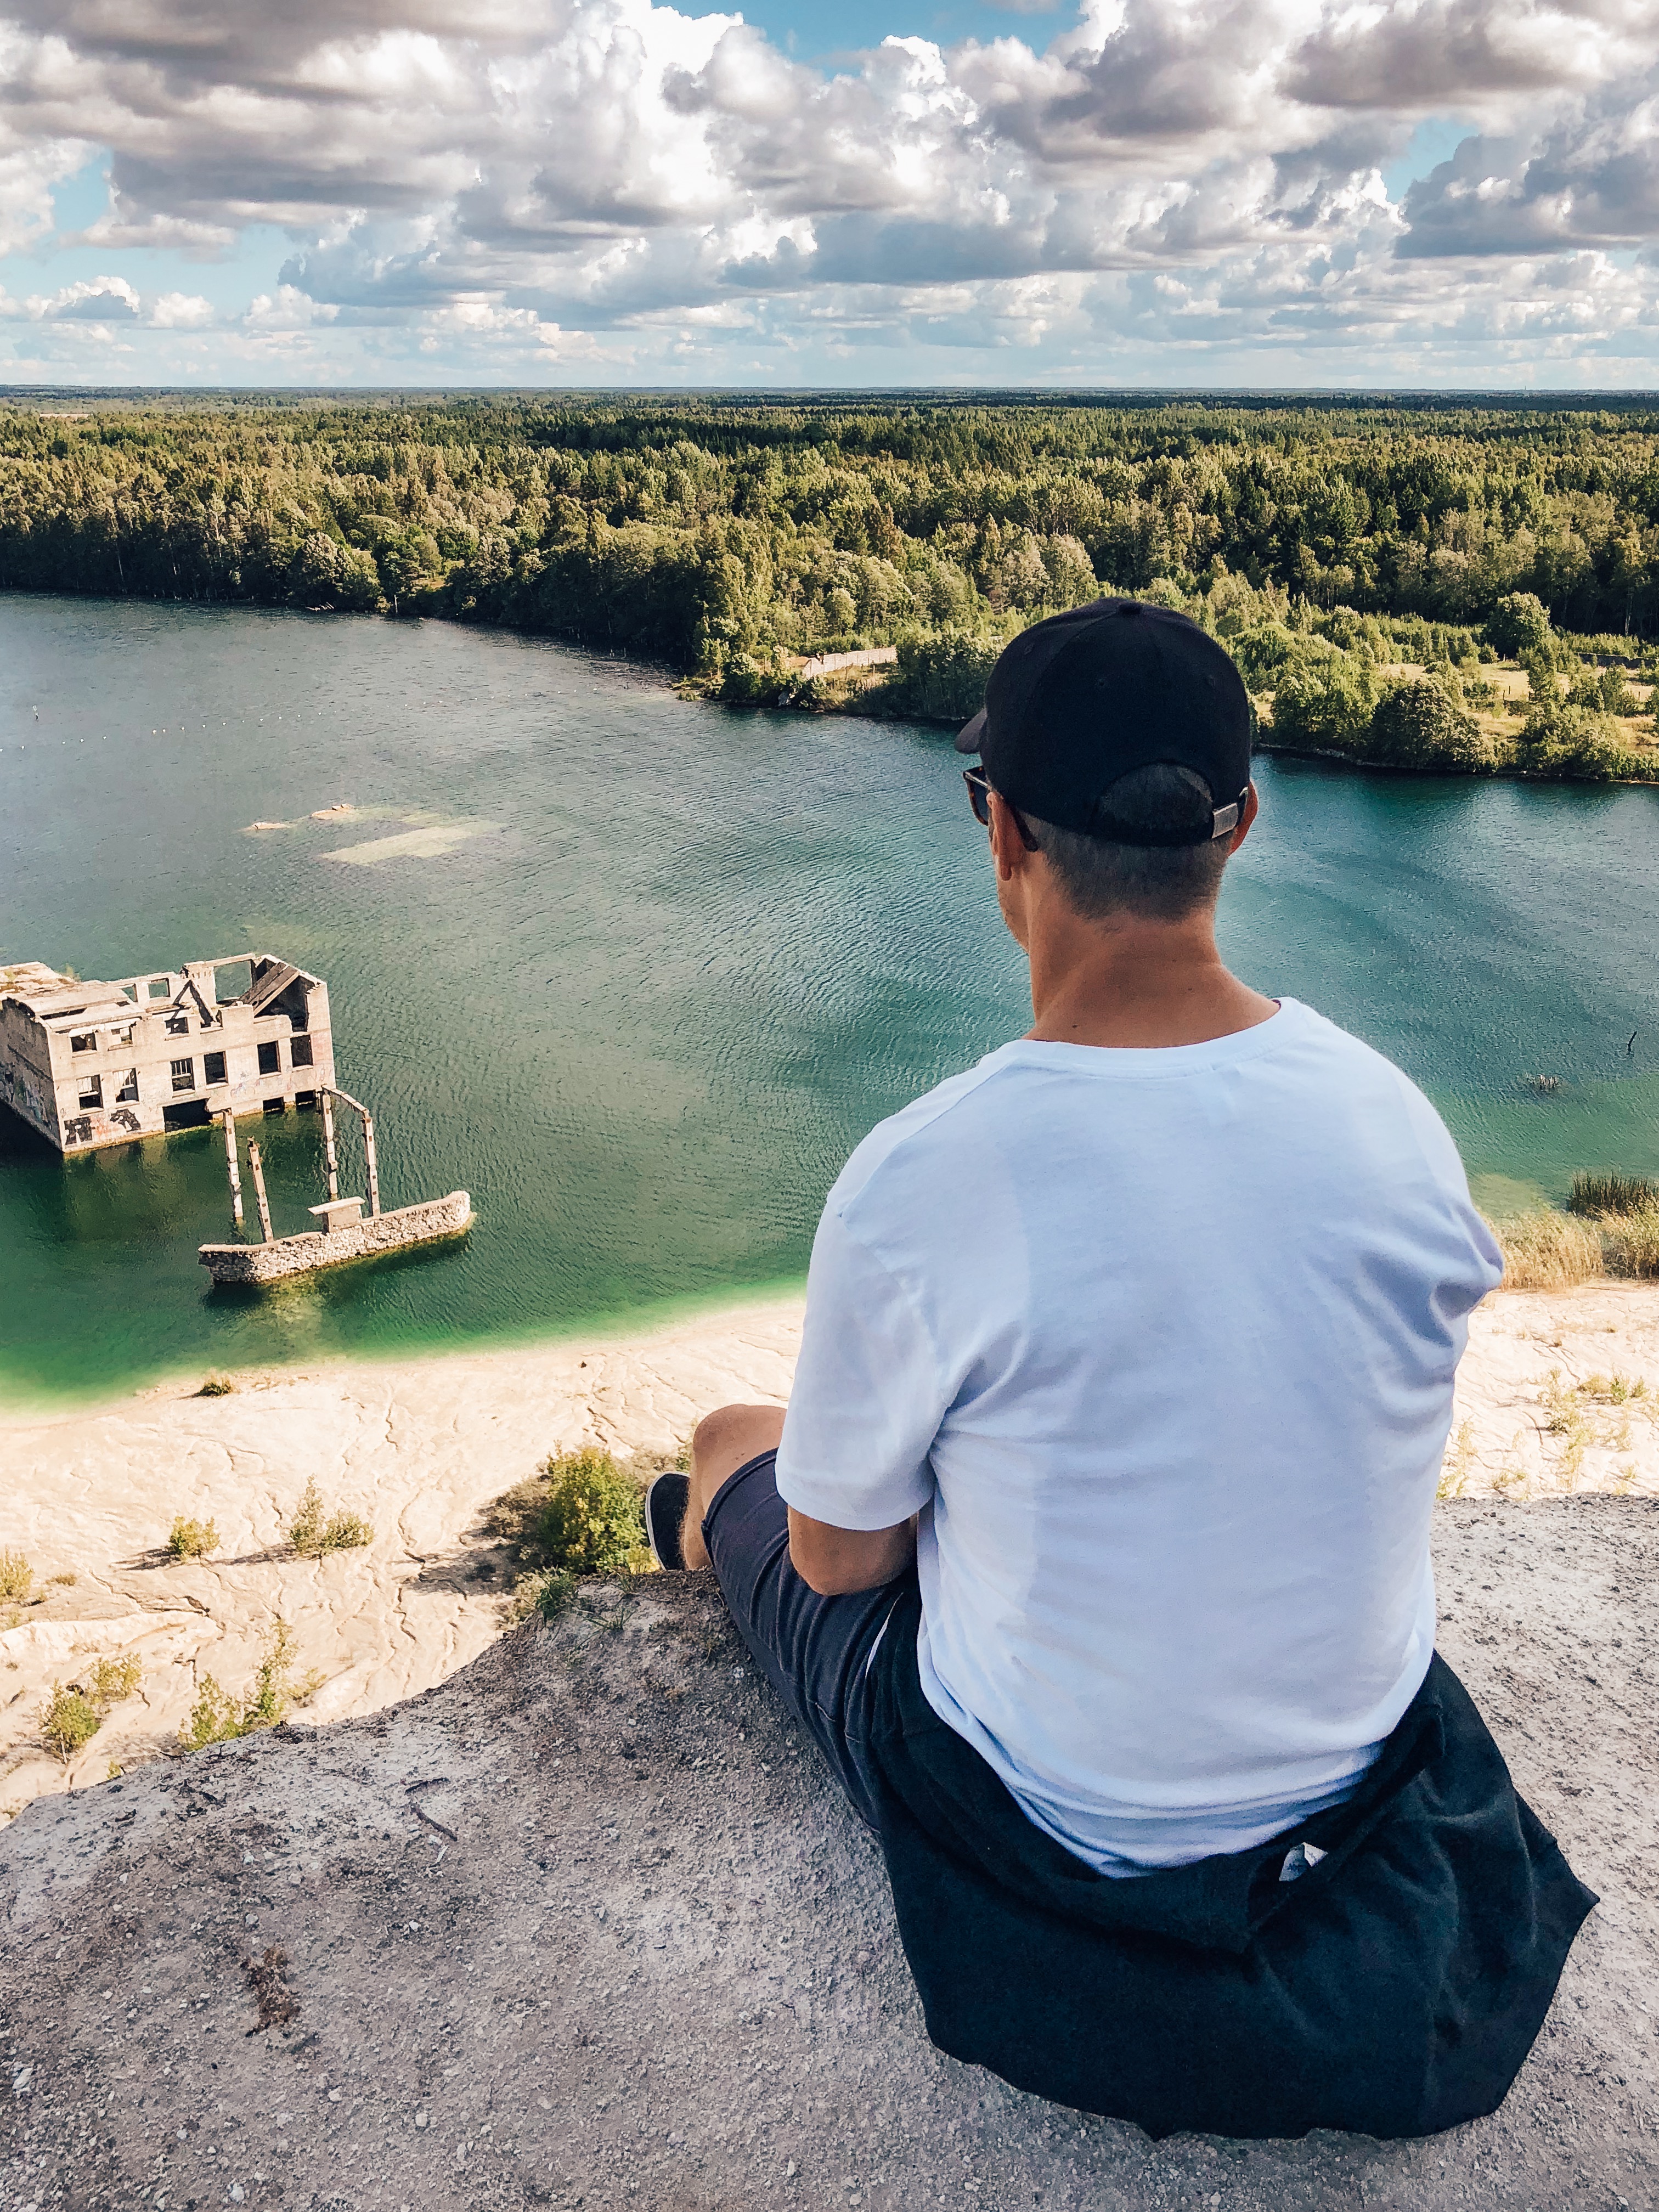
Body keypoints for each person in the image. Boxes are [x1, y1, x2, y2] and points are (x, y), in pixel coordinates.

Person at [645, 599, 1595, 2140]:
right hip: (1352, 1790)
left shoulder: (926, 1176)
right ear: (1245, 829)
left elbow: (840, 1561)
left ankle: (675, 1528)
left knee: (733, 1440)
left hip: (1053, 1822)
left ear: (999, 827)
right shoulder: (1391, 1117)